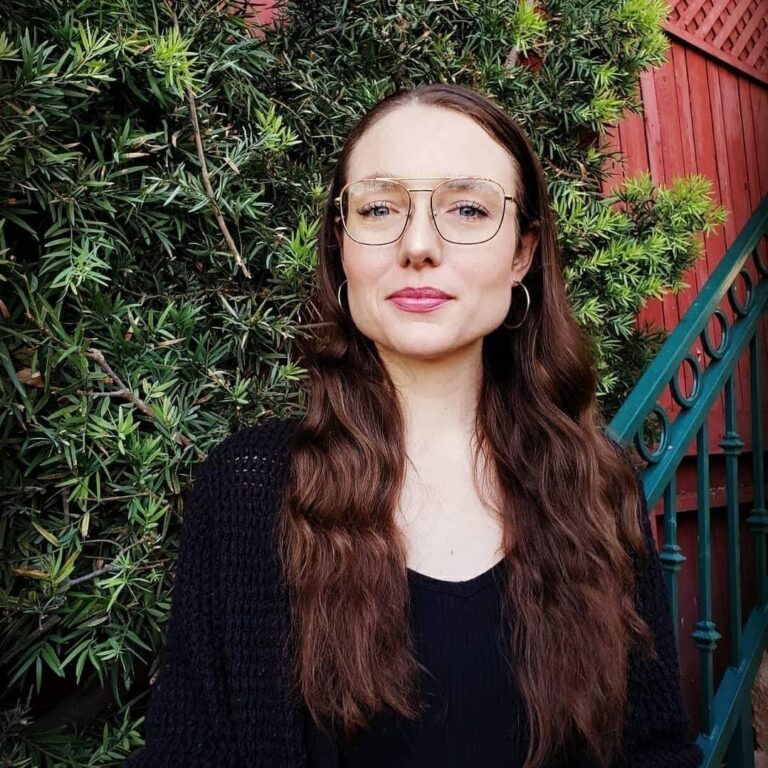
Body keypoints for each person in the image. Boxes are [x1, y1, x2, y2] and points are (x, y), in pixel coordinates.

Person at [124, 83, 704, 767]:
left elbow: (654, 749)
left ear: (522, 253)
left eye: (467, 208)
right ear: (341, 245)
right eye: (379, 208)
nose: (419, 245)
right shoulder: (247, 491)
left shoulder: (596, 485)